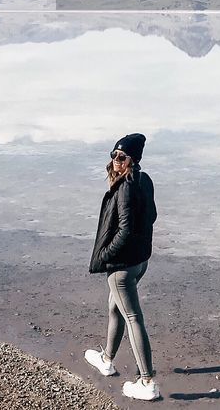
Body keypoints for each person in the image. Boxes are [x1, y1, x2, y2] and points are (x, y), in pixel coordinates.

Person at [84, 132, 160, 401]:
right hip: (140, 262)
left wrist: (106, 254)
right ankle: (106, 359)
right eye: (113, 155)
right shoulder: (144, 180)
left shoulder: (126, 186)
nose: (116, 160)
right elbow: (151, 217)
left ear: (133, 159)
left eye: (122, 156)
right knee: (114, 307)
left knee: (132, 317)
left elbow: (126, 229)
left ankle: (147, 381)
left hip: (123, 265)